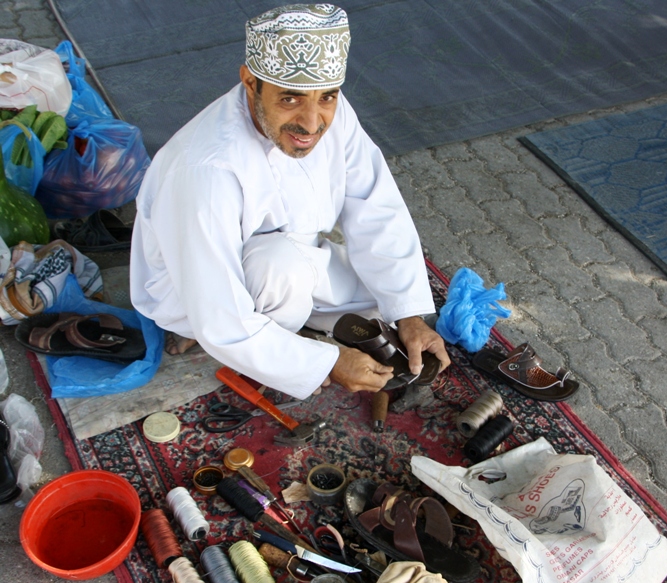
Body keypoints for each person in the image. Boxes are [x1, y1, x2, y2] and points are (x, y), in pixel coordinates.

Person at [130, 4, 450, 400]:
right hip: (197, 282)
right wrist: (325, 360)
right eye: (290, 99)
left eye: (326, 97)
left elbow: (374, 203)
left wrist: (408, 314)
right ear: (250, 82)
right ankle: (227, 338)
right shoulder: (207, 169)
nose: (312, 123)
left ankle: (283, 334)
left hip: (291, 252)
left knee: (384, 308)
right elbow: (220, 311)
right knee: (276, 273)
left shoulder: (329, 111)